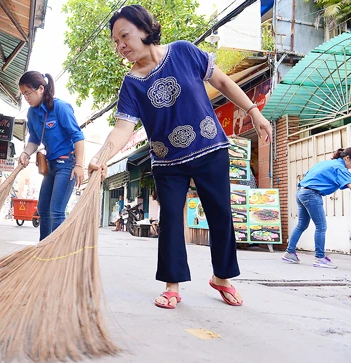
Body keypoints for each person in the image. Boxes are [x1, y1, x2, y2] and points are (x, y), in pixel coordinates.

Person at [88, 5, 272, 309]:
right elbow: (122, 128)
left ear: (145, 30)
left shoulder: (184, 51)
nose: (121, 46)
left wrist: (253, 111)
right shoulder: (131, 84)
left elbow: (222, 82)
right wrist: (102, 156)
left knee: (220, 215)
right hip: (167, 162)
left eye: (125, 36)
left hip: (210, 148)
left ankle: (222, 278)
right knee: (171, 220)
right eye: (116, 43)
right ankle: (172, 285)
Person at [17, 71, 85, 240]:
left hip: (67, 164)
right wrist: (25, 153)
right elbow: (34, 139)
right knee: (43, 208)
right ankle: (43, 248)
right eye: (23, 94)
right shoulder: (32, 113)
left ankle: (55, 252)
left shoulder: (60, 107)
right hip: (51, 166)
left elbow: (78, 136)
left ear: (40, 88)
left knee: (56, 210)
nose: (26, 97)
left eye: (28, 93)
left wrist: (79, 165)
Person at [282, 148, 351, 269]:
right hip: (312, 194)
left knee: (301, 225)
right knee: (321, 226)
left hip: (301, 192)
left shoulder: (325, 163)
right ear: (347, 158)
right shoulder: (340, 168)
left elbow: (308, 175)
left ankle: (290, 253)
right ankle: (320, 258)